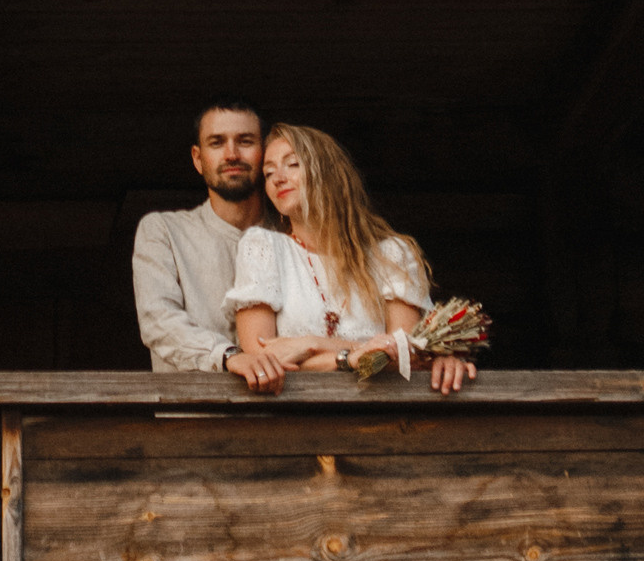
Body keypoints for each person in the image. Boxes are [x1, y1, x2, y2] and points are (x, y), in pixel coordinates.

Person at [225, 122, 478, 396]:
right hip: (290, 415)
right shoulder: (262, 248)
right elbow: (263, 358)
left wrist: (309, 345)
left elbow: (406, 354)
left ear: (328, 173)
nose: (278, 178)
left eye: (293, 164)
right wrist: (350, 357)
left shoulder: (391, 254)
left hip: (379, 415)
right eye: (269, 172)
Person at [132, 100, 274, 375]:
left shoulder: (292, 234)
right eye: (217, 143)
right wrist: (227, 356)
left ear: (266, 152)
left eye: (245, 141)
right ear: (198, 158)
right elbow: (158, 321)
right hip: (193, 413)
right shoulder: (163, 230)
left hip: (284, 413)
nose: (232, 154)